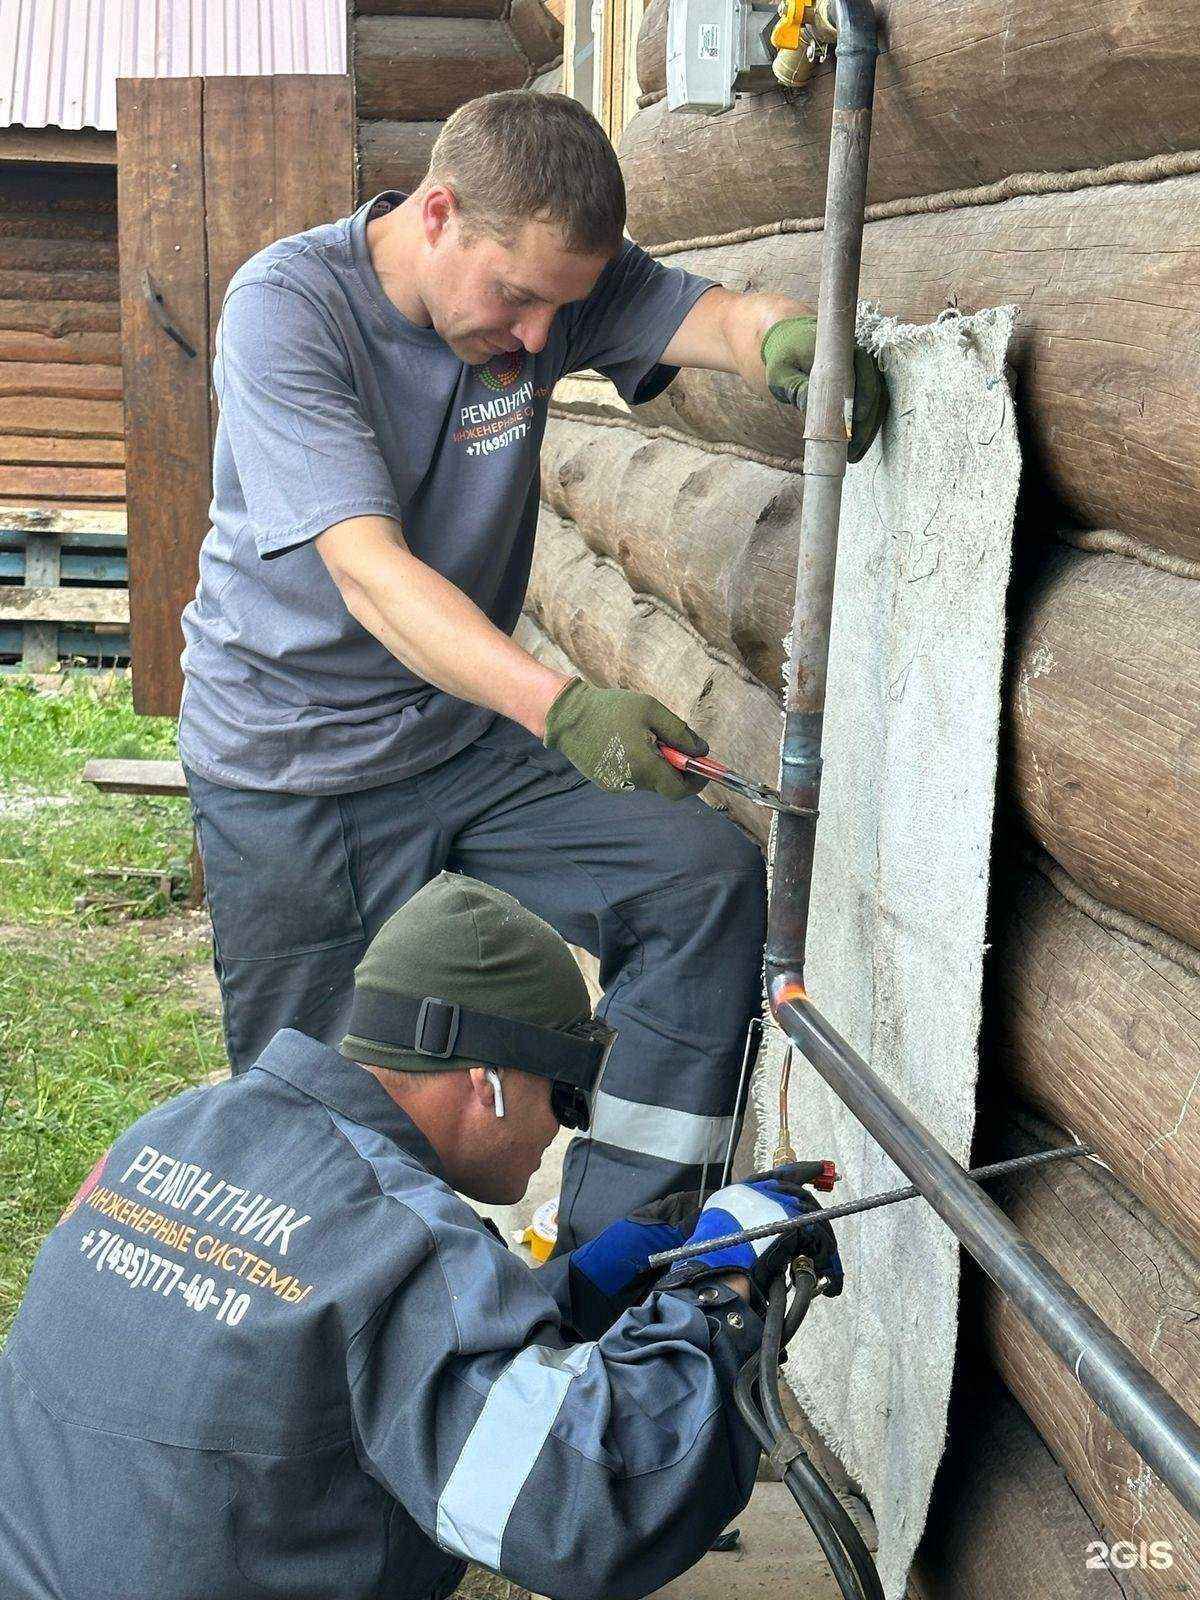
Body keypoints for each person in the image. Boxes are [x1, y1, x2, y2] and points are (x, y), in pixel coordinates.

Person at [178, 88, 887, 1250]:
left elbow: (715, 316)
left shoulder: (545, 285)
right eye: (517, 298)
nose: (541, 340)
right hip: (289, 772)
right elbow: (371, 578)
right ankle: (348, 1376)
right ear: (438, 213)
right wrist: (563, 707)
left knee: (699, 887)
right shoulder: (289, 310)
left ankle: (620, 1270)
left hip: (460, 748)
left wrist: (786, 342)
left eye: (564, 307)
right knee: (314, 1118)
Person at [0, 874, 841, 1600]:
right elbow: (588, 1508)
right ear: (489, 1081)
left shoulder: (181, 1129)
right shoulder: (395, 1238)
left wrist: (579, 1289)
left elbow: (337, 1349)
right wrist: (723, 1292)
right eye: (569, 1096)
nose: (565, 1133)